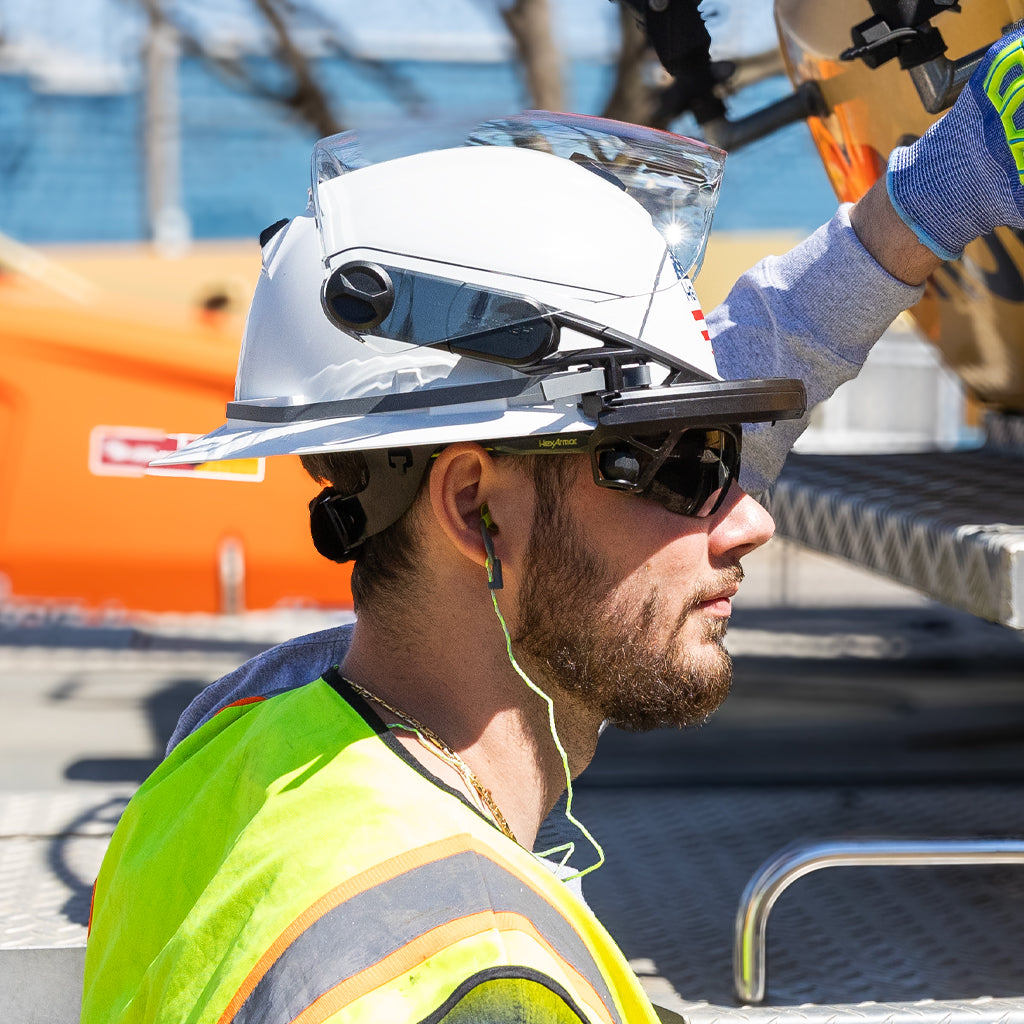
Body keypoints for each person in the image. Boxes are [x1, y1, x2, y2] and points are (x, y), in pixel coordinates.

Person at [81, 26, 1024, 1024]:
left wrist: (937, 186)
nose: (749, 516)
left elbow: (739, 374)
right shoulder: (481, 980)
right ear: (473, 506)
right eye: (681, 466)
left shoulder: (248, 734)